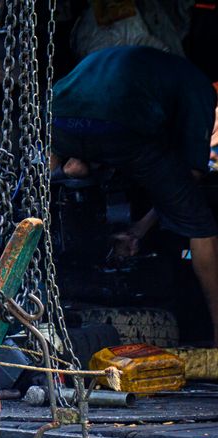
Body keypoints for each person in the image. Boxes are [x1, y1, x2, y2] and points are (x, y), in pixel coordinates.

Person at [49, 46, 218, 342]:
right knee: (201, 226)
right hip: (121, 124)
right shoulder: (199, 83)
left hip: (59, 118)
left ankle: (74, 165)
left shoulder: (147, 64)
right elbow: (191, 174)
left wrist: (139, 227)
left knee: (84, 159)